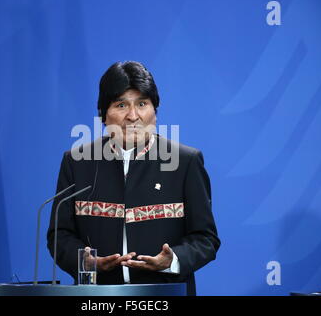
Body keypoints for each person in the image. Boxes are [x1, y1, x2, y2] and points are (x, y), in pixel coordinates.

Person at [47, 61, 220, 296]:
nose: (133, 116)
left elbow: (205, 239)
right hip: (98, 296)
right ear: (103, 114)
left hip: (164, 294)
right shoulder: (77, 162)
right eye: (121, 105)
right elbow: (60, 235)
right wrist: (87, 262)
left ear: (155, 111)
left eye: (142, 104)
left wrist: (172, 260)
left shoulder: (185, 161)